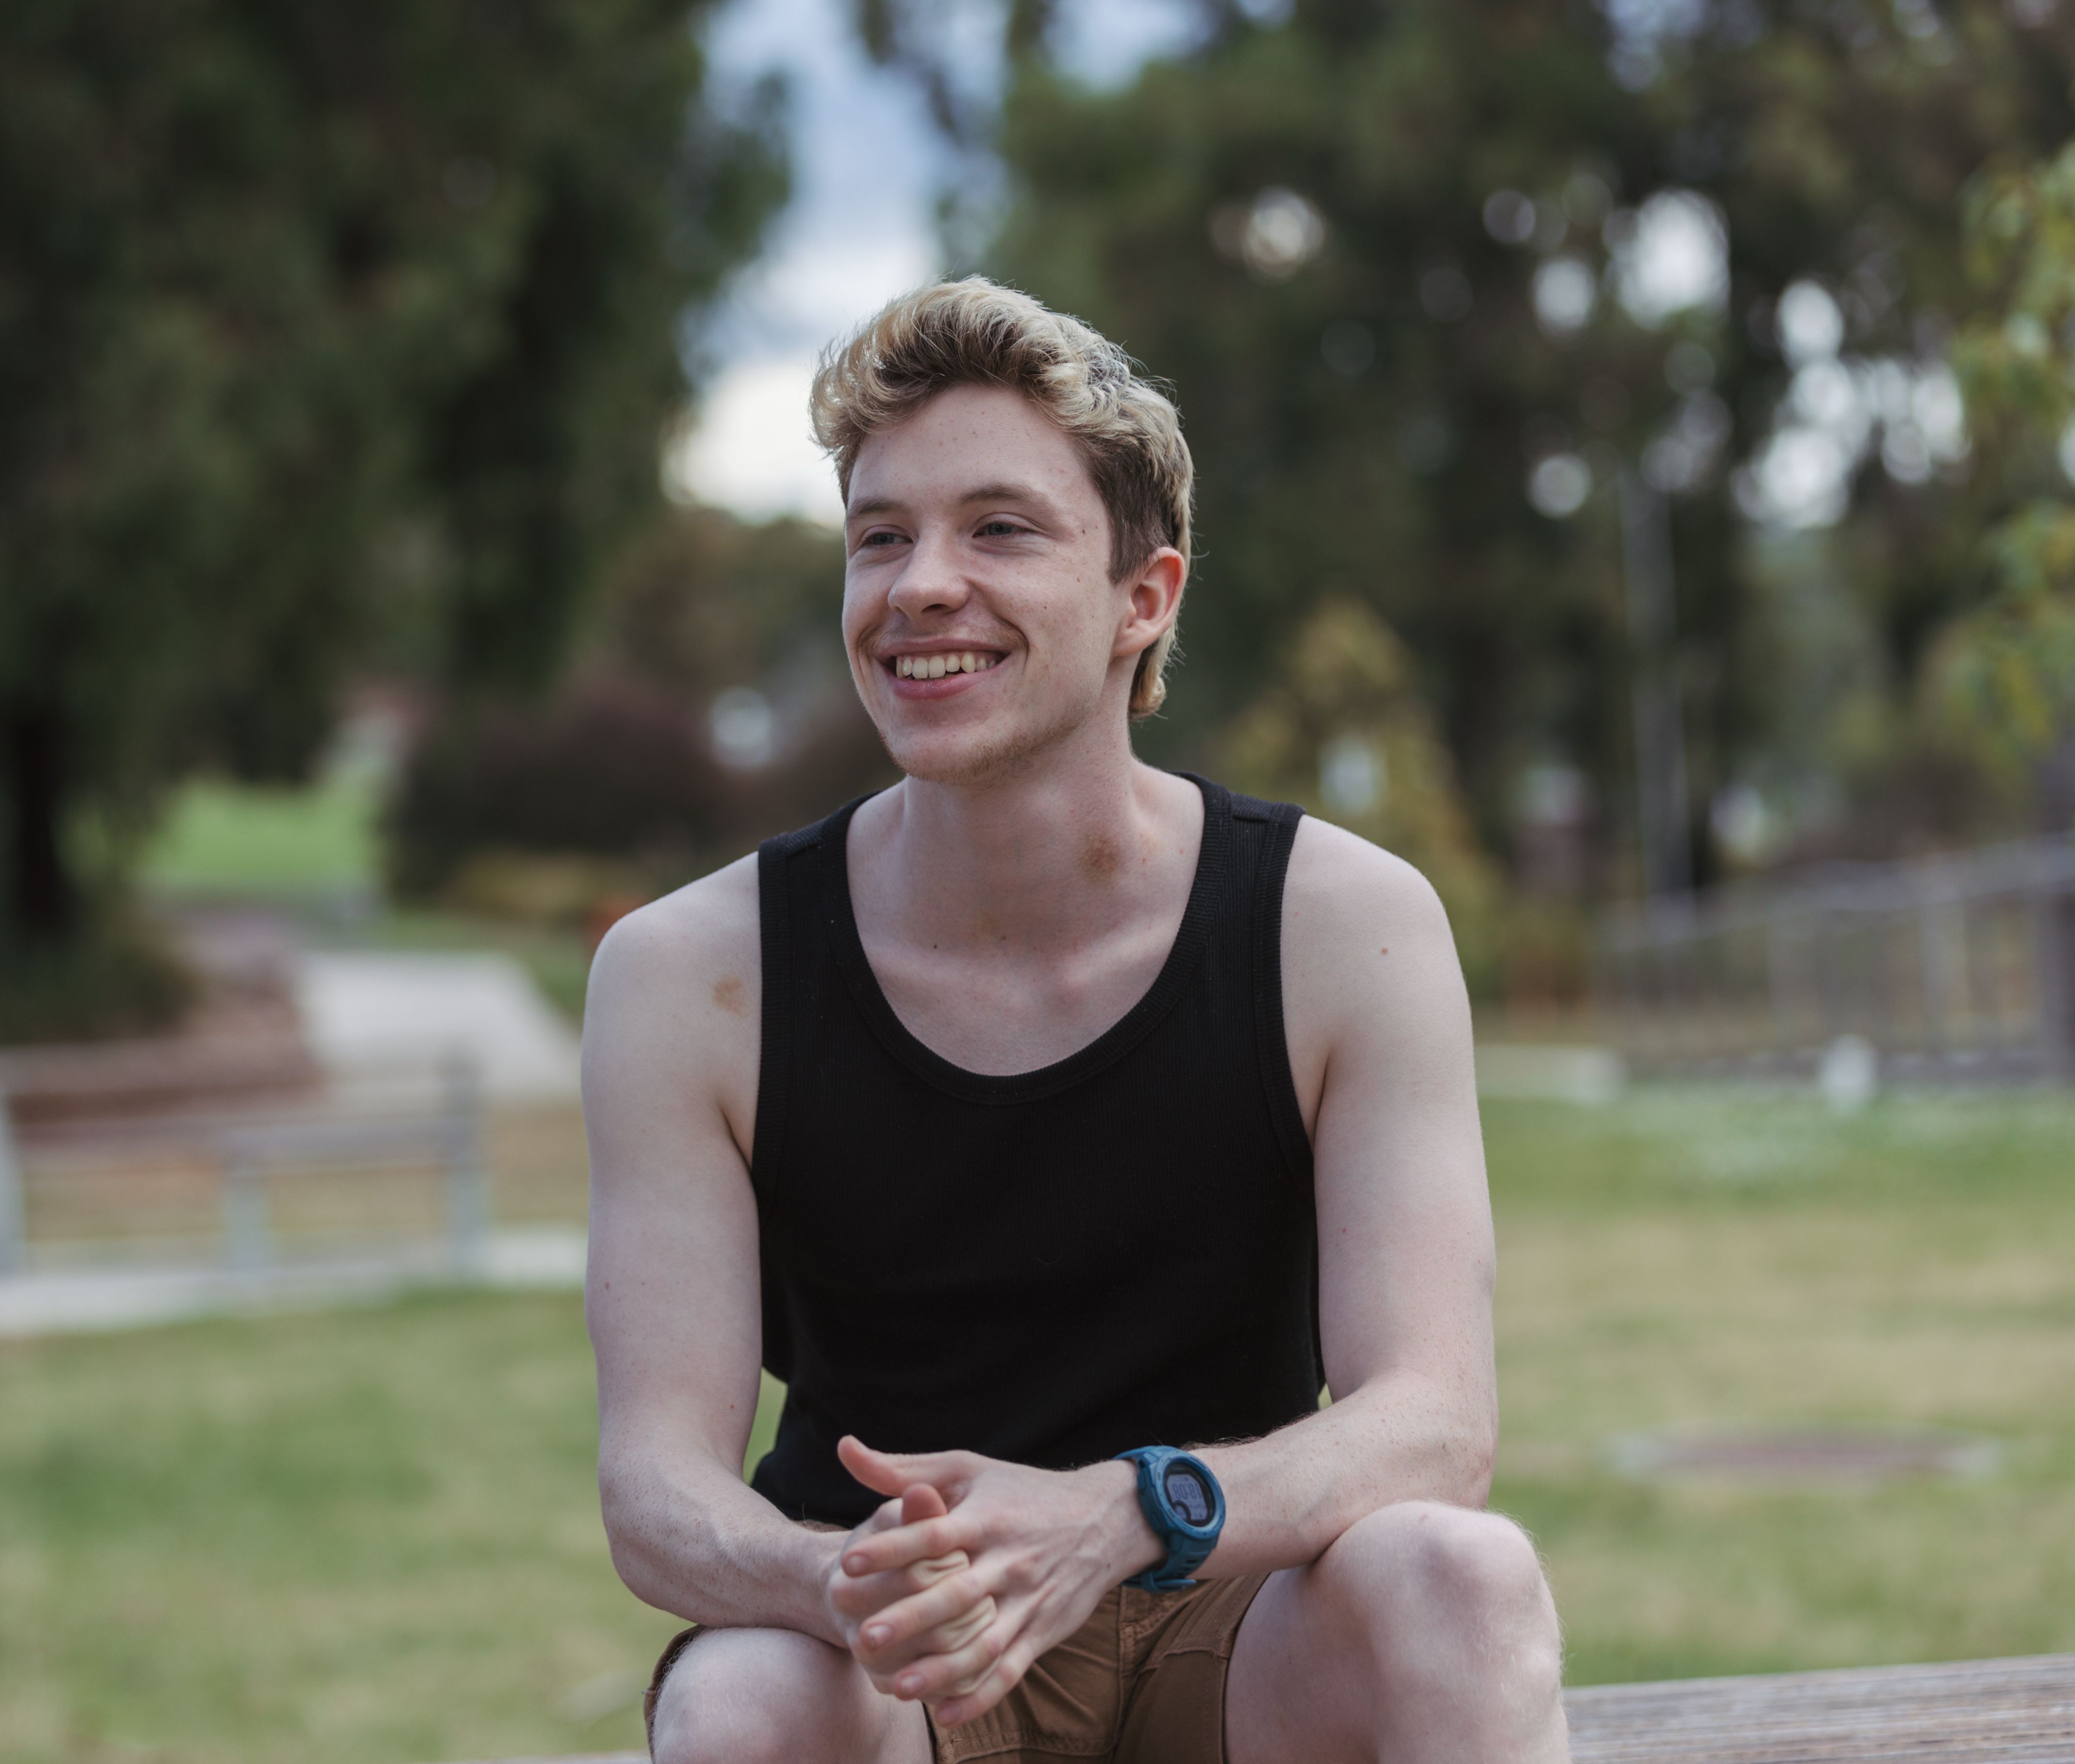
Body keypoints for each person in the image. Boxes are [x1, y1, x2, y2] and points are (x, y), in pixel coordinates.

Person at [581, 278, 1567, 1764]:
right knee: (738, 1703)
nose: (919, 584)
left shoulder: (1341, 923)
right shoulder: (690, 973)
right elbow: (656, 1487)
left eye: (1000, 528)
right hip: (909, 1655)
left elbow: (1436, 1422)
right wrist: (835, 1582)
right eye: (880, 537)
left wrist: (1122, 1514)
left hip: (1235, 1621)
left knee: (1459, 1579)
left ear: (1143, 599)